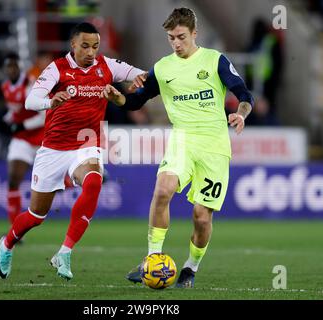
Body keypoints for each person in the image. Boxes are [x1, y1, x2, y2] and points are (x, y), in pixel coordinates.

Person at [102, 7, 254, 288]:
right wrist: (118, 97)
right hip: (182, 140)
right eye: (171, 37)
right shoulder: (162, 68)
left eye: (181, 37)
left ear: (195, 33)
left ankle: (190, 268)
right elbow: (135, 101)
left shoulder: (214, 60)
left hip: (215, 146)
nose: (176, 43)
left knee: (201, 216)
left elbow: (243, 93)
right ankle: (152, 259)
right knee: (162, 190)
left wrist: (241, 113)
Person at [0, 22, 145, 281]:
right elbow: (31, 100)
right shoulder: (57, 69)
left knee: (94, 181)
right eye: (85, 46)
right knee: (35, 216)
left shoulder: (107, 66)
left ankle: (64, 252)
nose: (90, 52)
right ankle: (6, 244)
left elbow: (141, 74)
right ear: (73, 45)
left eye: (95, 46)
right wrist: (50, 101)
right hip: (53, 149)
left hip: (87, 143)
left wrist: (141, 83)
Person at [0, 53, 45, 225]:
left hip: (41, 137)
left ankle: (72, 182)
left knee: (53, 181)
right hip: (21, 140)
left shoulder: (31, 85)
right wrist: (5, 121)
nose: (10, 70)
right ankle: (14, 229)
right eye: (7, 67)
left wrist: (22, 125)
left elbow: (44, 116)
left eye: (13, 66)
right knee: (13, 179)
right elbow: (14, 111)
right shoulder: (5, 87)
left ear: (19, 66)